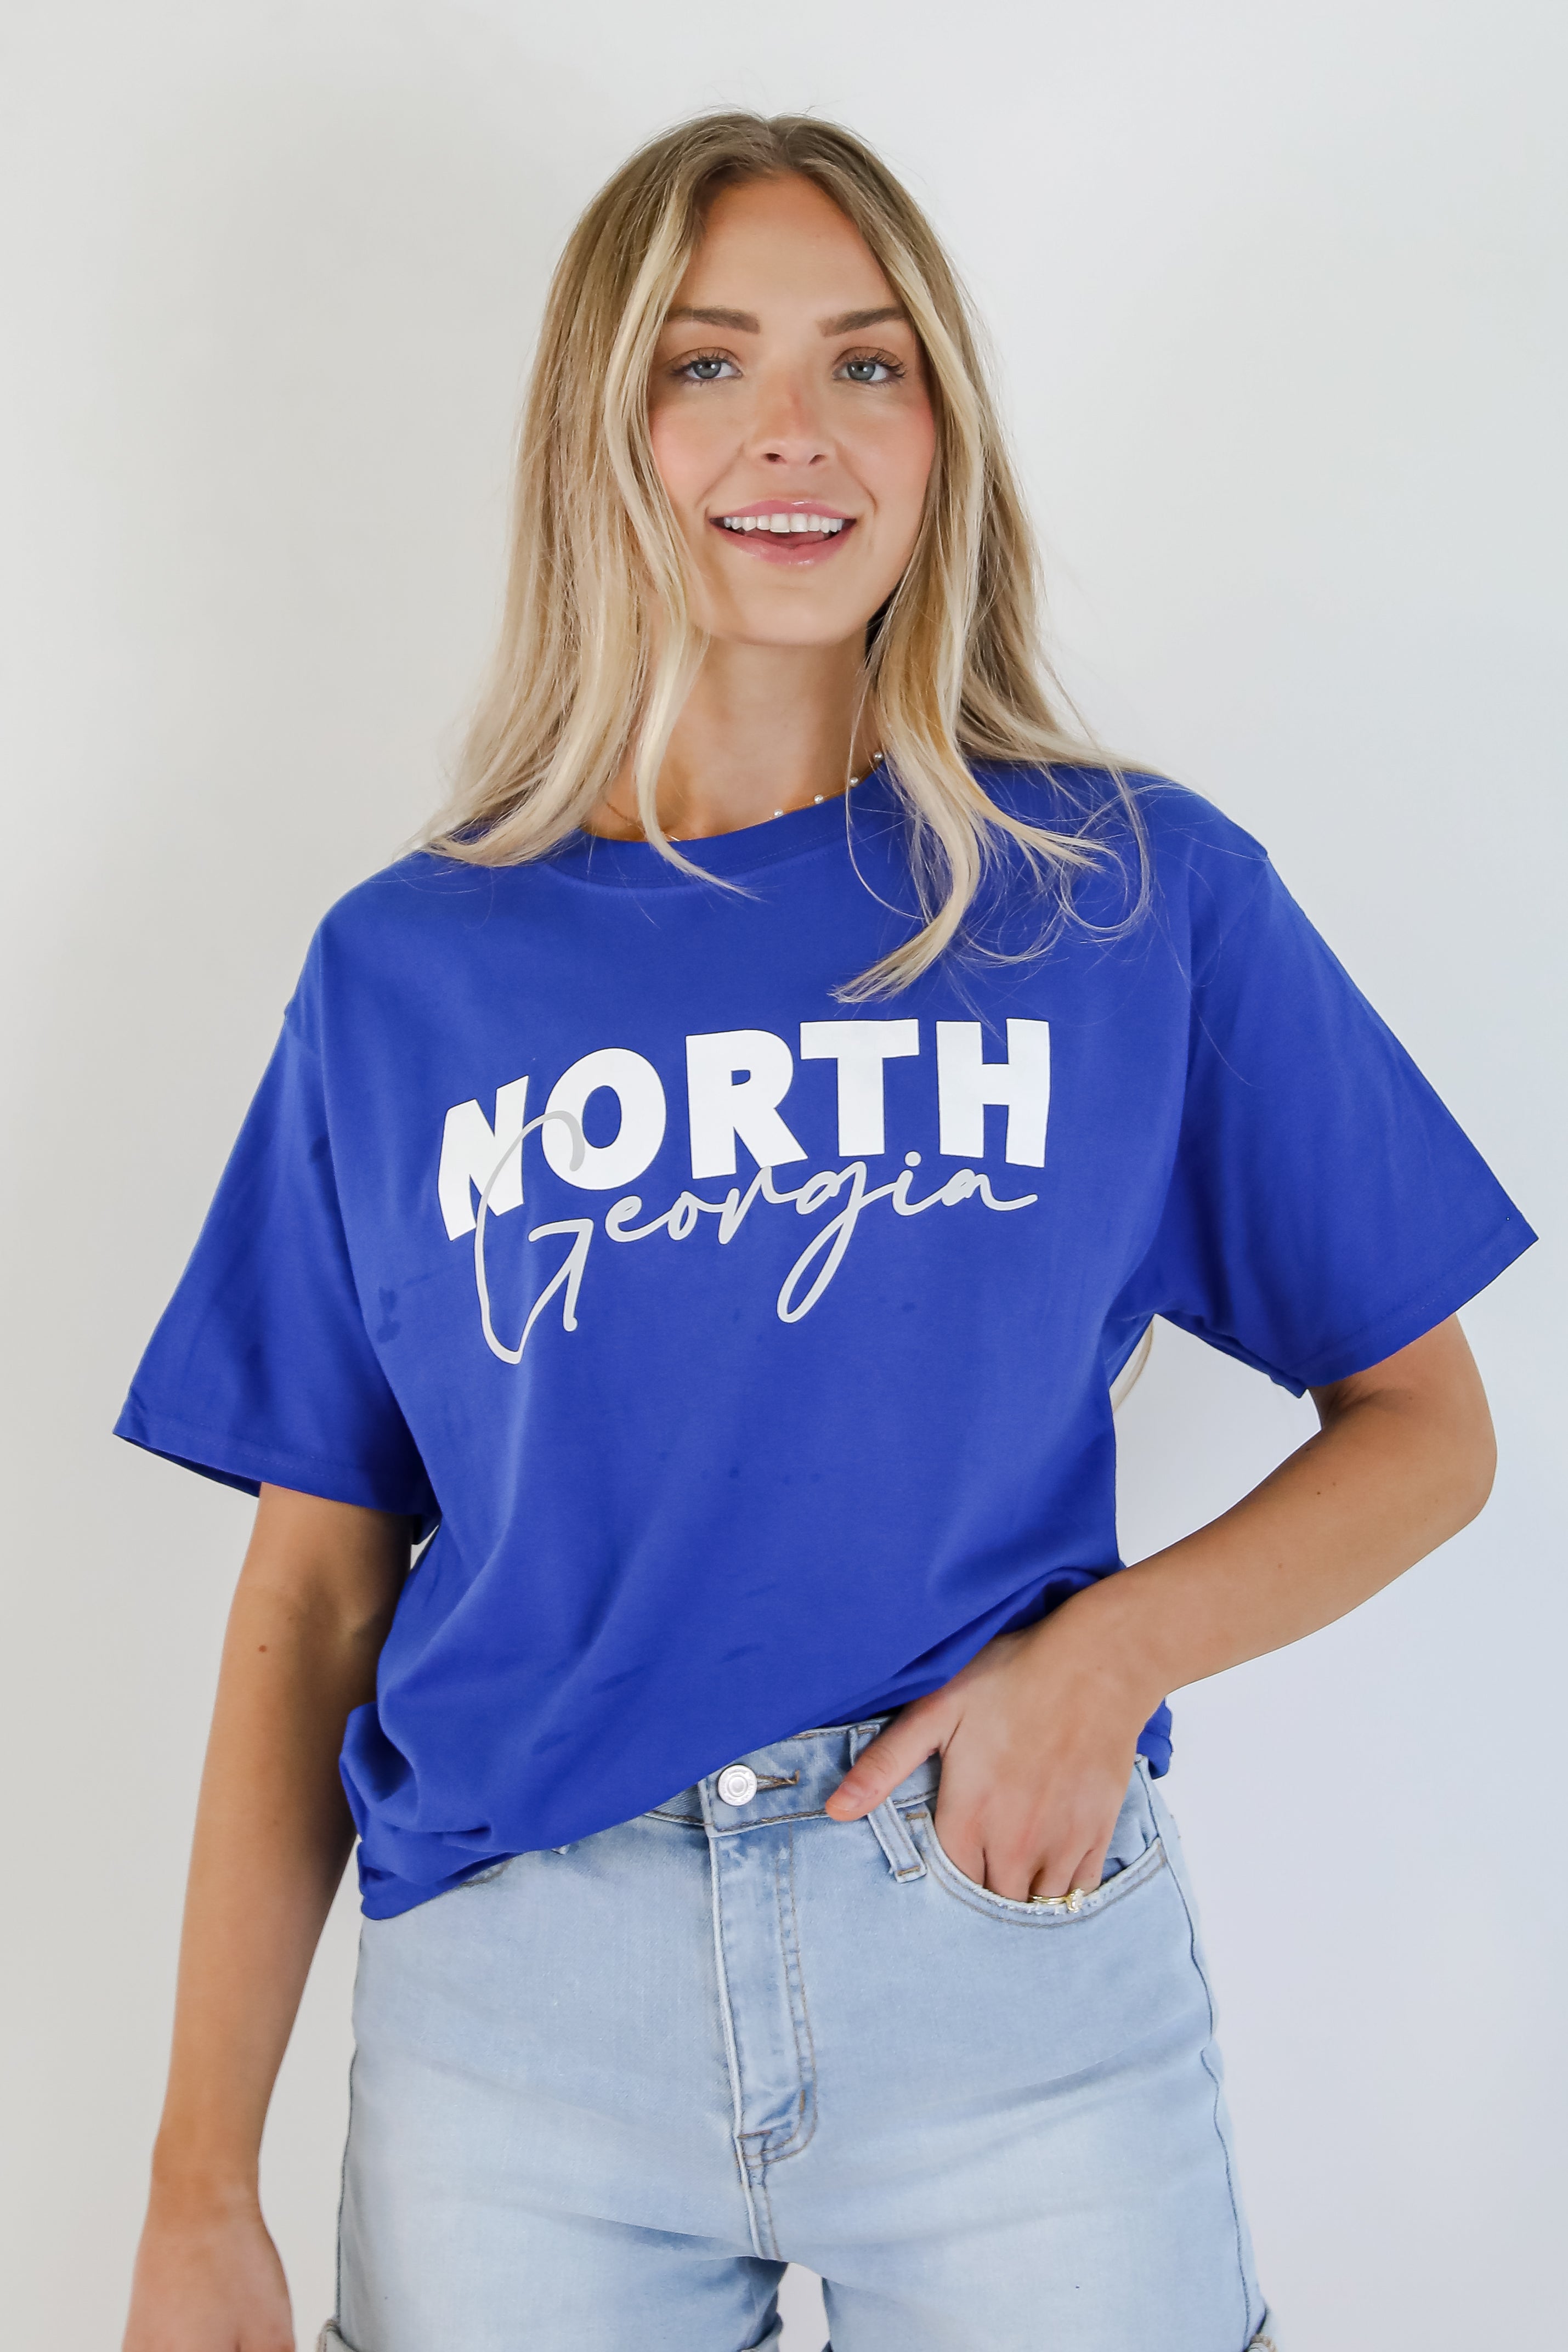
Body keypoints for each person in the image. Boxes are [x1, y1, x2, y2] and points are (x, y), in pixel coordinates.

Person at [118, 112, 1534, 2352]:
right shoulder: (407, 971)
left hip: (998, 1957)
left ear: (942, 431)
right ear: (603, 429)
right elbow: (312, 1590)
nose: (794, 431)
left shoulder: (1127, 900)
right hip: (519, 2017)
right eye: (708, 364)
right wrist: (200, 2187)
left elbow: (1427, 1427)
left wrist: (1108, 1659)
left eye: (867, 364)